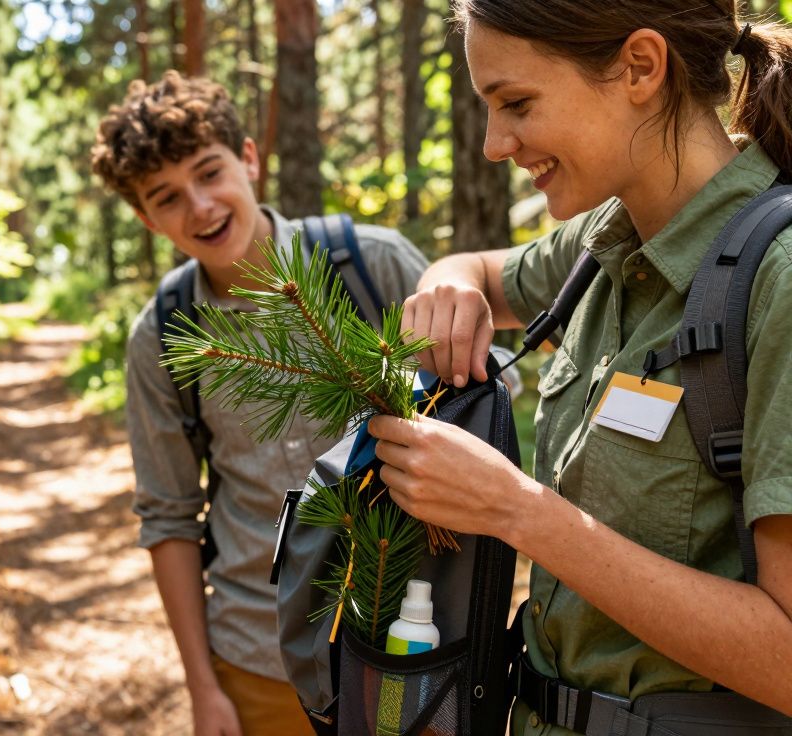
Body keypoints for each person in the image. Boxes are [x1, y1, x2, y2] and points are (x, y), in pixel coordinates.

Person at [367, 3, 792, 733]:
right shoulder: (604, 240)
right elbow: (482, 272)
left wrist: (514, 510)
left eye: (517, 103)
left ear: (640, 67)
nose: (496, 144)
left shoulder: (776, 281)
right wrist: (450, 282)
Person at [91, 71, 430, 735]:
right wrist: (202, 687)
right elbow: (169, 518)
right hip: (258, 653)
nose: (200, 206)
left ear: (248, 158)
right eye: (167, 196)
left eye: (209, 172)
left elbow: (481, 417)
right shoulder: (163, 335)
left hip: (414, 634)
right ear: (146, 218)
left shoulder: (372, 265)